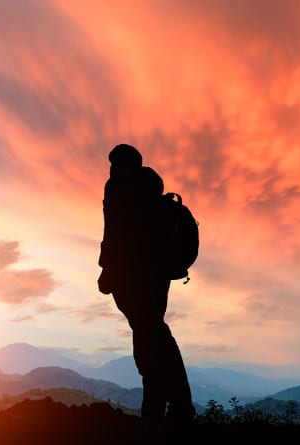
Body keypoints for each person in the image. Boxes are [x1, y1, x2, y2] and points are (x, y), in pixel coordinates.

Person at [98, 143, 196, 437]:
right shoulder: (150, 190)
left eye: (117, 163)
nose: (112, 168)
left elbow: (115, 234)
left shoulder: (121, 189)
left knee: (151, 341)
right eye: (111, 163)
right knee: (152, 338)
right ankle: (159, 411)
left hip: (134, 278)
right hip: (155, 278)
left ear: (129, 165)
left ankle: (176, 409)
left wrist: (107, 269)